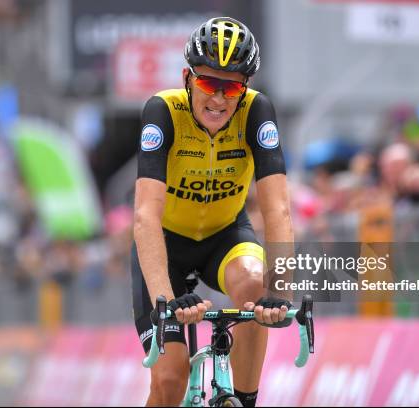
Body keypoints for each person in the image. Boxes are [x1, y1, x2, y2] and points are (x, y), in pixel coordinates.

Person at [132, 17, 294, 407]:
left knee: (257, 285)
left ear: (246, 87)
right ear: (187, 77)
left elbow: (278, 210)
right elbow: (145, 215)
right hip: (166, 246)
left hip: (226, 237)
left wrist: (279, 290)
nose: (219, 99)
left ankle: (245, 399)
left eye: (232, 87)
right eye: (209, 83)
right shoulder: (163, 111)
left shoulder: (257, 111)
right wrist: (165, 301)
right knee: (170, 380)